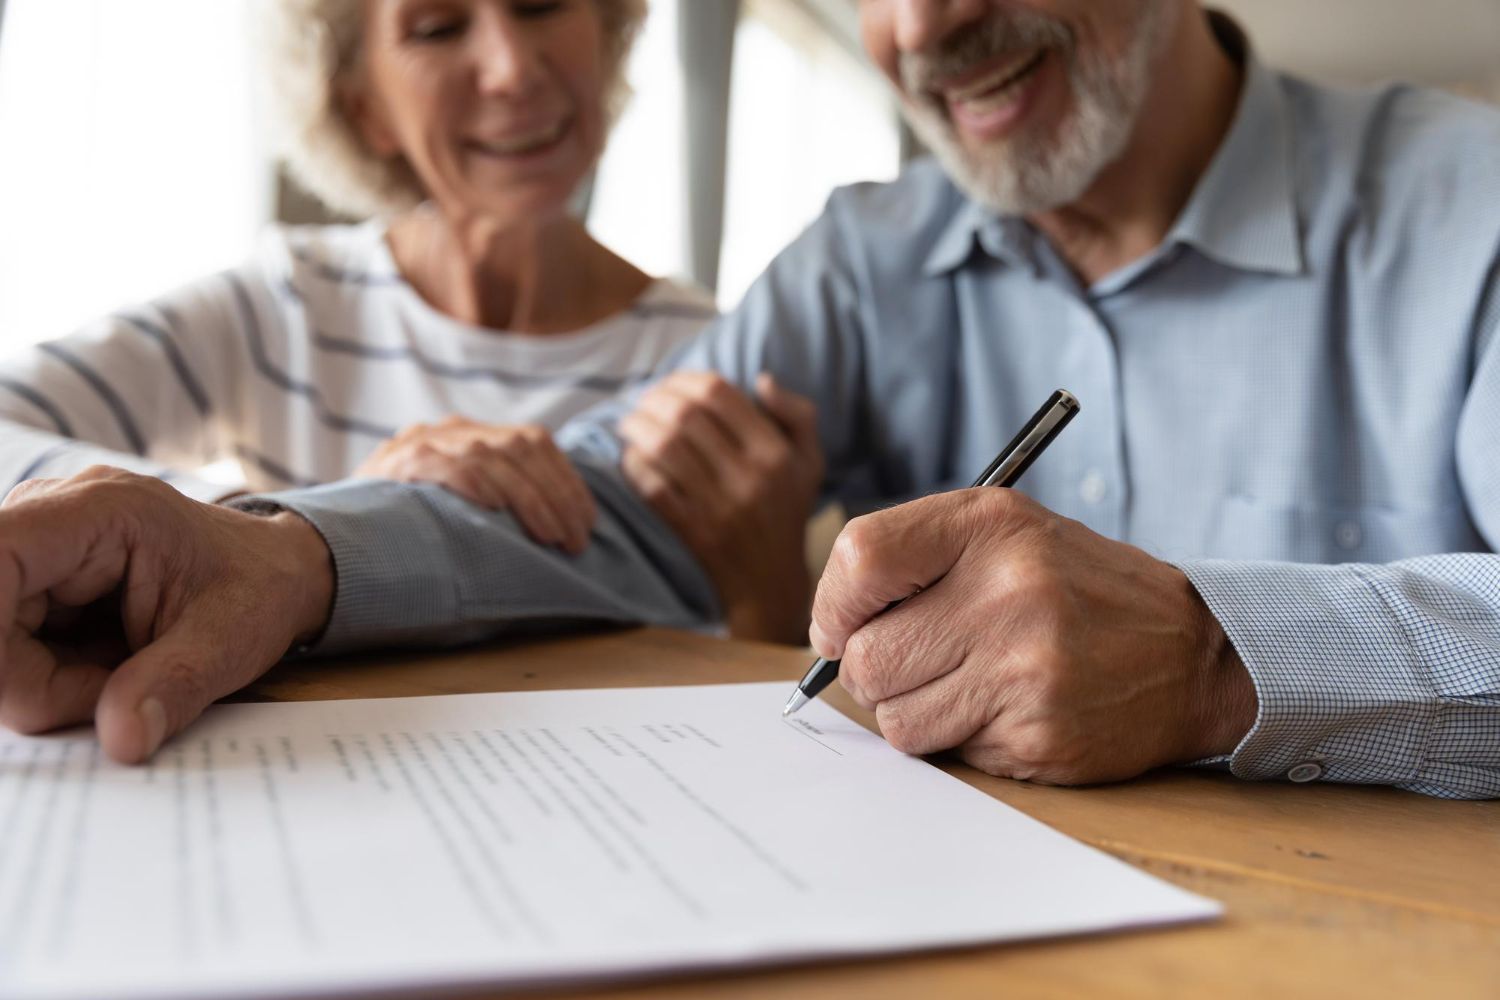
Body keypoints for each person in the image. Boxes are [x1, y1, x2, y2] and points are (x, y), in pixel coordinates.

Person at [1, 0, 1497, 800]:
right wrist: (283, 556)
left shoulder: (1469, 211)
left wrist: (1213, 665)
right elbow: (604, 508)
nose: (927, 21)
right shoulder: (860, 260)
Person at [0, 0, 715, 556]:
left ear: (607, 31)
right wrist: (302, 528)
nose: (513, 69)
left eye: (542, 4)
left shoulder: (714, 356)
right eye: (437, 28)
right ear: (365, 107)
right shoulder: (288, 304)